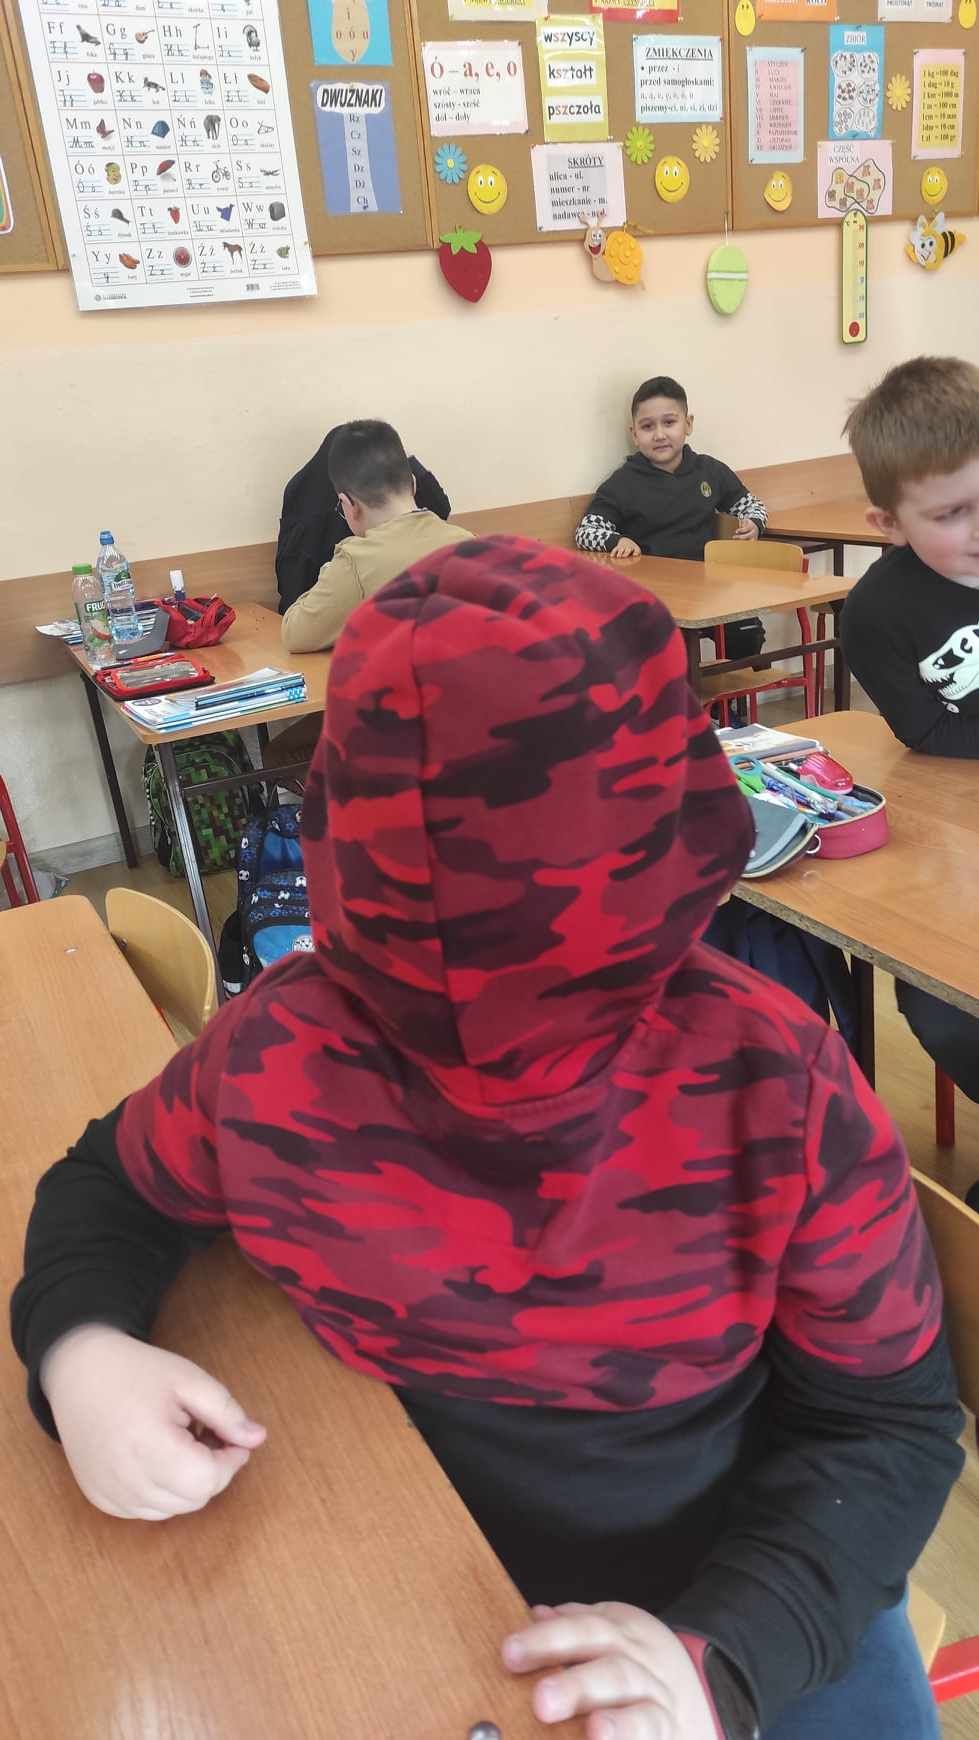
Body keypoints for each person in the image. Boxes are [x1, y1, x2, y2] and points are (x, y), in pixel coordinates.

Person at [11, 538, 961, 1740]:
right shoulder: (277, 1052)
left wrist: (719, 1660)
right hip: (416, 1568)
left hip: (754, 1590)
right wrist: (82, 1352)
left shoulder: (773, 1088)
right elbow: (111, 1186)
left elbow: (884, 1428)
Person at [841, 354, 979, 1124]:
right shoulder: (874, 615)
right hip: (956, 844)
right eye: (950, 513)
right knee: (942, 1010)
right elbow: (925, 730)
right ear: (887, 525)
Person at [575, 375, 769, 661]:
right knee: (668, 650)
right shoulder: (623, 483)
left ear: (688, 424)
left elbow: (752, 505)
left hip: (708, 589)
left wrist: (754, 522)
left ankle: (729, 691)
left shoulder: (709, 471)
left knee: (747, 631)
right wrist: (617, 540)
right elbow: (585, 531)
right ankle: (684, 689)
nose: (659, 435)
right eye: (647, 427)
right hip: (655, 598)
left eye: (669, 422)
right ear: (634, 434)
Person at [280, 418, 471, 654]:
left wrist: (331, 570)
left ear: (348, 504)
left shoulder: (355, 562)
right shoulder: (467, 542)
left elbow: (295, 634)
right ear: (413, 485)